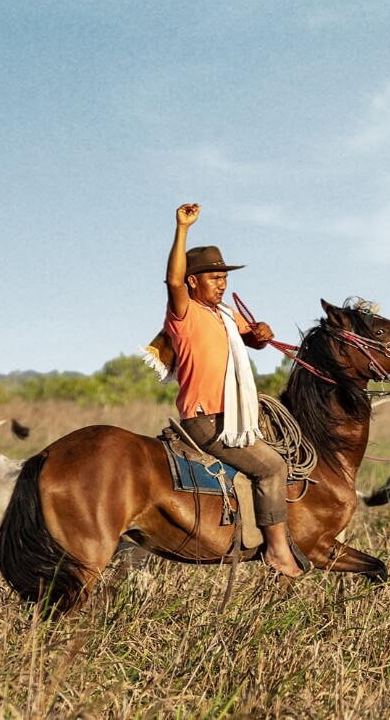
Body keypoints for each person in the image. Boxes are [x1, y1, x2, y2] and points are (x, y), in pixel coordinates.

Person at [160, 202, 305, 577]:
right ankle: (276, 551)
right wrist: (182, 228)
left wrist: (262, 334)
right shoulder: (184, 312)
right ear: (194, 282)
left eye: (225, 278)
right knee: (273, 467)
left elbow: (252, 339)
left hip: (232, 417)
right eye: (214, 278)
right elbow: (173, 280)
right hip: (206, 420)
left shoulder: (224, 314)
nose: (222, 284)